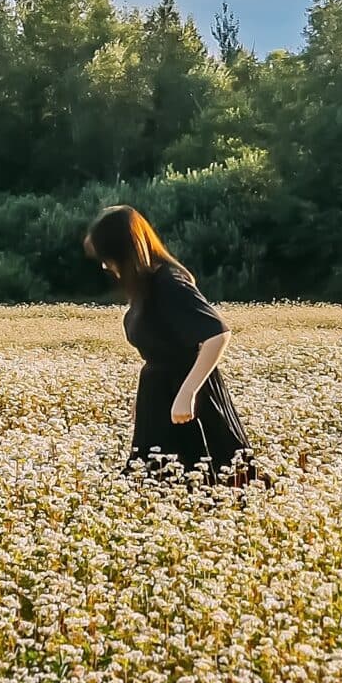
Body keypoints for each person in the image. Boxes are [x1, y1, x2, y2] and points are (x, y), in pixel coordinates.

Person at [82, 205, 259, 483]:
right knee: (156, 484)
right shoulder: (145, 287)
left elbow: (217, 334)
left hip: (187, 399)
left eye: (108, 256)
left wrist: (187, 393)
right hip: (160, 395)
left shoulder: (169, 282)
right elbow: (160, 351)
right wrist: (143, 401)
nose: (105, 265)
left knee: (204, 482)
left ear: (126, 251)